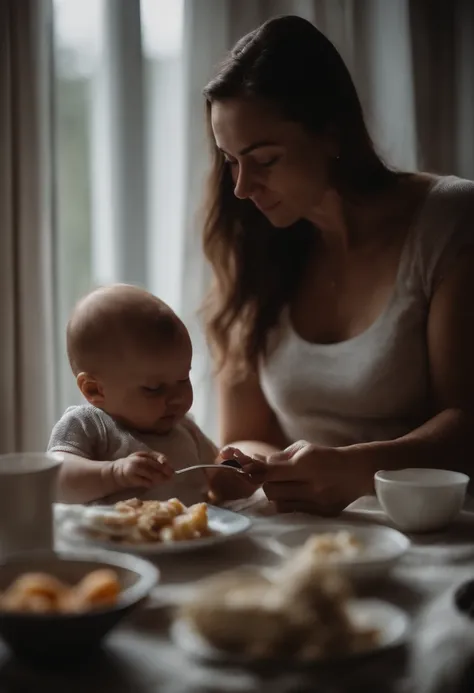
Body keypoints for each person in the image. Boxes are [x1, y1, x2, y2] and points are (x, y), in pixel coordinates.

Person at [201, 15, 474, 515]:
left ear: (331, 134)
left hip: (435, 530)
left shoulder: (449, 220)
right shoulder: (254, 245)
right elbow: (248, 435)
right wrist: (251, 467)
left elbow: (467, 421)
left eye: (264, 160)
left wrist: (357, 469)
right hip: (306, 538)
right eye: (230, 160)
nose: (241, 188)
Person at [49, 284, 222, 505]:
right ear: (94, 390)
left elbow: (219, 484)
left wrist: (237, 472)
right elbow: (56, 478)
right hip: (111, 537)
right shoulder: (89, 424)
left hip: (190, 536)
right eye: (154, 388)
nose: (177, 397)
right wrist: (112, 474)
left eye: (183, 380)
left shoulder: (185, 428)